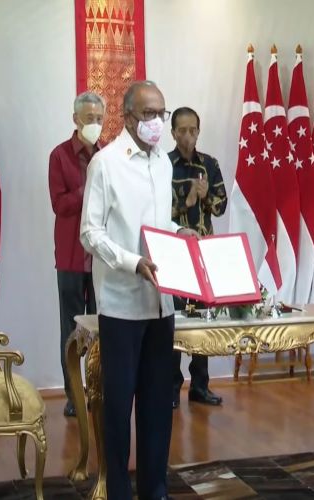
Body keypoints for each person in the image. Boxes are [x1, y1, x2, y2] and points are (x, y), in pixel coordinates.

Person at [80, 80, 198, 500]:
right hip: (122, 305)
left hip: (160, 304)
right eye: (149, 115)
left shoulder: (162, 164)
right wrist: (133, 263)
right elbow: (90, 233)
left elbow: (158, 223)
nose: (157, 123)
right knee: (117, 409)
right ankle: (118, 491)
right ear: (127, 117)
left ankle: (155, 489)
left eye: (161, 115)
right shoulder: (105, 165)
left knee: (157, 405)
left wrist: (180, 231)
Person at [49, 91, 105, 417]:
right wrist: (87, 189)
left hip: (100, 260)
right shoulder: (59, 156)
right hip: (70, 258)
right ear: (75, 120)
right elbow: (60, 204)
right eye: (88, 118)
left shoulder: (108, 154)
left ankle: (99, 391)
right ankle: (74, 397)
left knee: (100, 329)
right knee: (70, 333)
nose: (94, 124)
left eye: (99, 118)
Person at [169, 107, 227, 409]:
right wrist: (187, 201)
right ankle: (172, 386)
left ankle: (200, 385)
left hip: (205, 251)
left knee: (204, 317)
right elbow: (158, 212)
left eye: (193, 130)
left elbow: (221, 206)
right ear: (173, 133)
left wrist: (205, 197)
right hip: (176, 253)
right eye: (182, 130)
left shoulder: (210, 165)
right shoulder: (164, 165)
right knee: (177, 319)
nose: (188, 136)